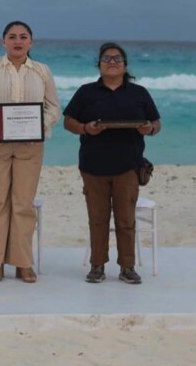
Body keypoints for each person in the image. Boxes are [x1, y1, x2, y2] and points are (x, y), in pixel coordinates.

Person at [0, 21, 61, 283]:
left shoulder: (42, 71)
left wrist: (41, 123)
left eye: (23, 37)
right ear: (3, 41)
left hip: (31, 146)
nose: (17, 41)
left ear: (31, 42)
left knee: (23, 204)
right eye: (12, 37)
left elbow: (54, 107)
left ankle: (23, 263)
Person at [63, 42, 161, 285]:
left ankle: (127, 267)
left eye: (117, 58)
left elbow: (156, 123)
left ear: (125, 64)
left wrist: (148, 128)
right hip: (92, 166)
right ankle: (97, 266)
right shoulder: (86, 92)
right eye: (106, 58)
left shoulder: (139, 93)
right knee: (97, 219)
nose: (112, 62)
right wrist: (86, 128)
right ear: (99, 65)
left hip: (129, 166)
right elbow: (68, 121)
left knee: (126, 220)